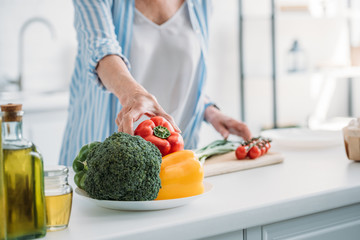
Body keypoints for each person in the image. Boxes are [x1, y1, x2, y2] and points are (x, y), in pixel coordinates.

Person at [59, 0, 251, 166]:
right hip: (98, 155)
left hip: (172, 161)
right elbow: (100, 50)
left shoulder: (200, 3)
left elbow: (179, 73)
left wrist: (209, 110)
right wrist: (134, 95)